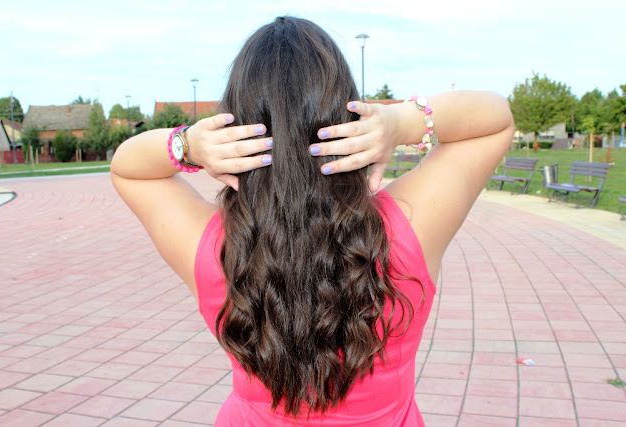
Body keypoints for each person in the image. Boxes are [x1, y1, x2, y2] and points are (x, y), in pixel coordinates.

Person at [111, 16, 513, 426]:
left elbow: (127, 167)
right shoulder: (408, 230)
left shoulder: (214, 249)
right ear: (346, 116)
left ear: (233, 128)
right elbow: (495, 119)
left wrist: (186, 145)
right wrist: (402, 123)